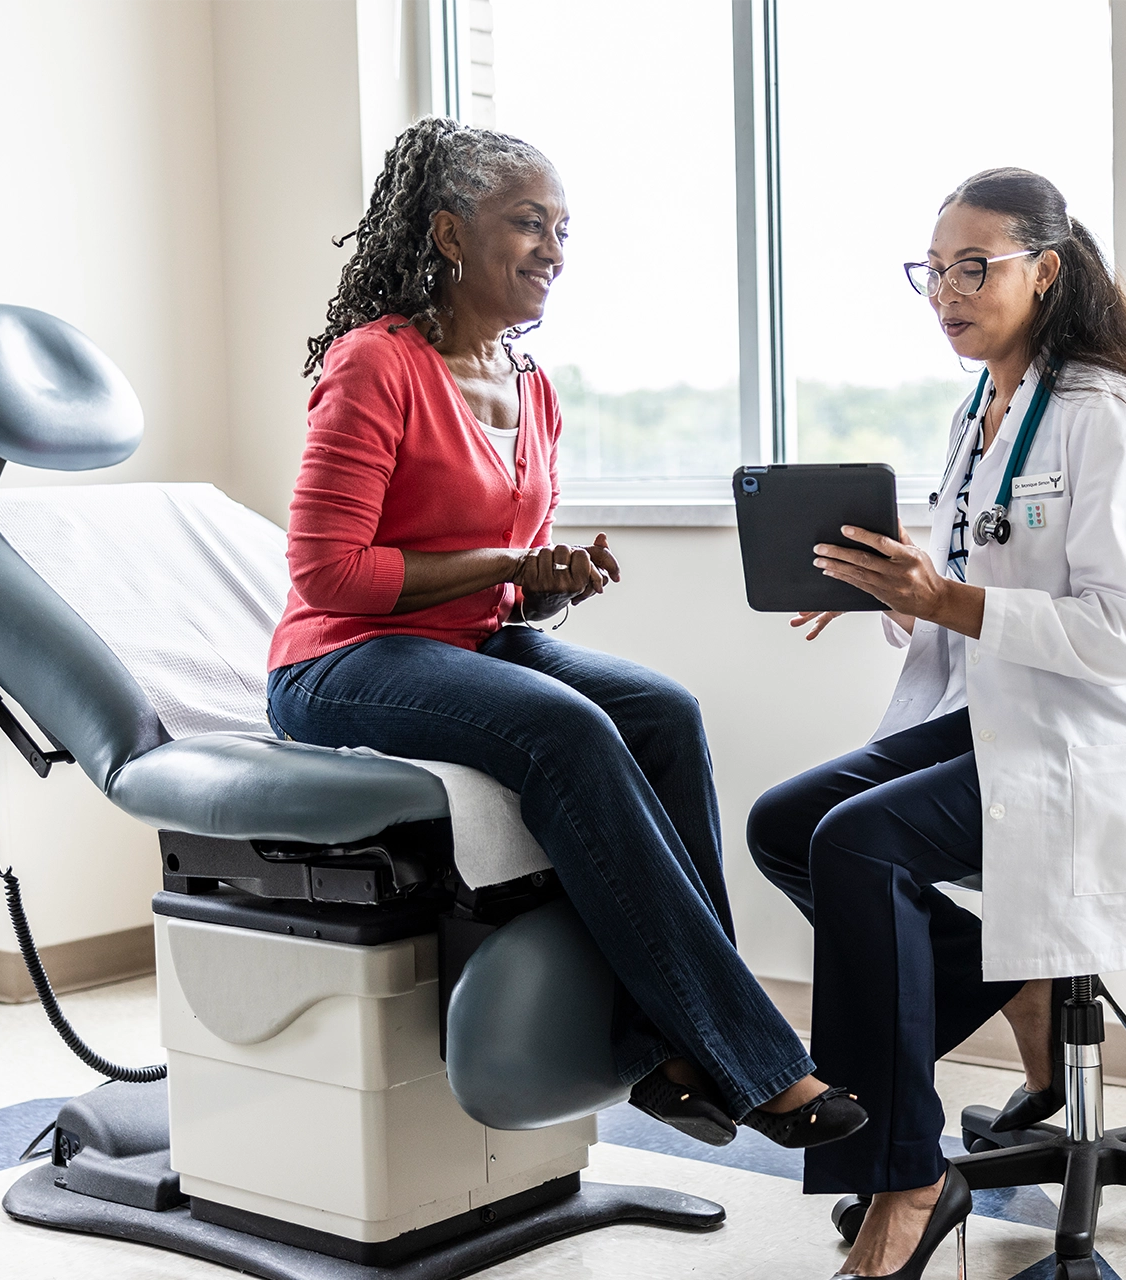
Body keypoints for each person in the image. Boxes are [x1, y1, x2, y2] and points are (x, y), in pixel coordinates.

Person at [266, 118, 865, 1152]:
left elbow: (515, 591)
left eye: (563, 229)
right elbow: (328, 573)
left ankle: (676, 1052)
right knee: (566, 730)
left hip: (473, 642)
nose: (553, 249)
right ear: (450, 233)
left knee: (664, 714)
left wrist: (551, 586)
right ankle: (753, 1059)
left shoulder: (533, 387)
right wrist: (508, 569)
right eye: (527, 223)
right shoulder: (378, 366)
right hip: (340, 658)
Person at [747, 168, 1126, 1278]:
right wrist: (892, 592)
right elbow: (966, 581)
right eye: (932, 270)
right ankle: (1010, 972)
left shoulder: (1107, 414)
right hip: (1003, 706)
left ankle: (904, 1176)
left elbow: (1124, 633)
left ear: (1049, 269)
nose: (947, 291)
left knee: (860, 841)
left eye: (975, 266)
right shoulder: (984, 406)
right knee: (788, 823)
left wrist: (946, 600)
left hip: (1108, 733)